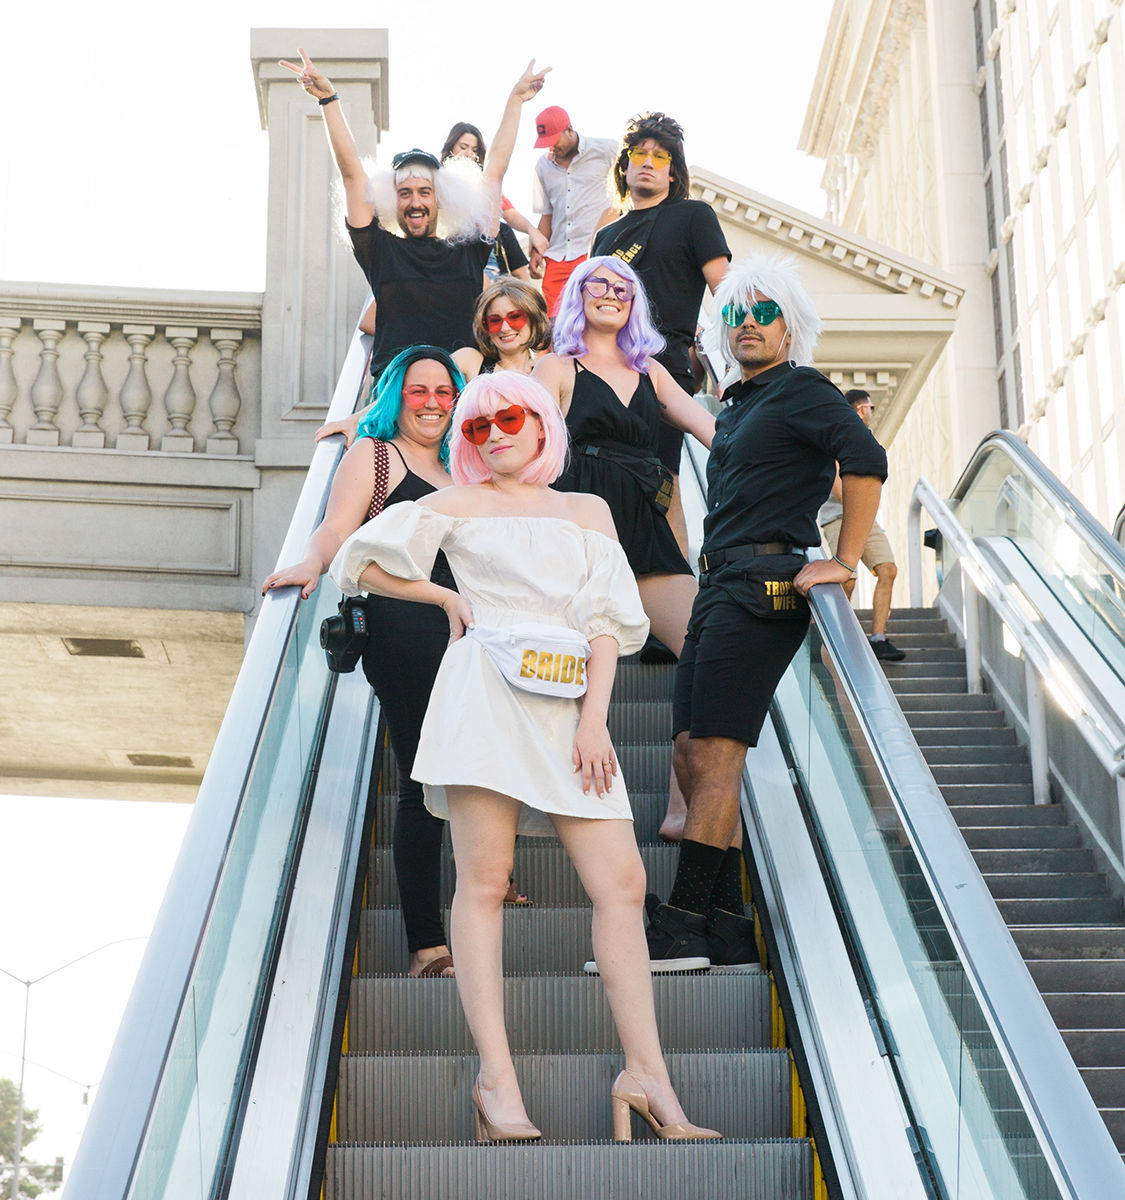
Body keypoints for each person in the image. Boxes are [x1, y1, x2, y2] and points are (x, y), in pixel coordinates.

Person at [329, 370, 720, 1144]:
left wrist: (596, 720)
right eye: (476, 427)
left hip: (569, 700)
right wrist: (443, 599)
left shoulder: (587, 508)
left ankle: (647, 1075)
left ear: (543, 423)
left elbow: (609, 619)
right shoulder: (449, 503)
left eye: (509, 417)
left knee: (622, 882)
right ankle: (495, 1082)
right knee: (483, 879)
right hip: (483, 693)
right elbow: (358, 559)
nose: (494, 433)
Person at [646, 254, 887, 972]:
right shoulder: (740, 401)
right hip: (718, 583)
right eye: (734, 314)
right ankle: (724, 924)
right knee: (689, 750)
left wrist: (843, 561)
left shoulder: (802, 389)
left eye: (762, 313)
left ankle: (685, 923)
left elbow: (865, 458)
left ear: (788, 327)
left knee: (717, 754)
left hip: (762, 584)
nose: (746, 323)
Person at [262, 346, 527, 979]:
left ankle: (485, 875)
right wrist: (309, 563)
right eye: (418, 391)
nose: (433, 402)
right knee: (422, 776)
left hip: (471, 631)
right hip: (401, 624)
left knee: (475, 763)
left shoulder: (467, 468)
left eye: (444, 390)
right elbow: (336, 529)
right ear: (394, 396)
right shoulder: (375, 457)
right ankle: (428, 945)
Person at [533, 256, 714, 852]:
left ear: (635, 304)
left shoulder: (652, 374)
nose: (610, 293)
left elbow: (718, 435)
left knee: (707, 646)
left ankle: (682, 802)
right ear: (576, 298)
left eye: (623, 287)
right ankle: (542, 806)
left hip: (645, 535)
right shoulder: (555, 367)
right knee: (560, 668)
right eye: (597, 284)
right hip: (578, 535)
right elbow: (522, 448)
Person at [278, 48, 549, 381]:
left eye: (424, 192)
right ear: (393, 202)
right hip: (397, 391)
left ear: (440, 199)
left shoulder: (468, 250)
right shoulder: (381, 250)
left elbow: (495, 171)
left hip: (462, 389)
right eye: (404, 193)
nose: (415, 202)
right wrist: (328, 100)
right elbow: (352, 176)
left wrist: (515, 100)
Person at [591, 113, 730, 552]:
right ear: (625, 167)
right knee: (600, 481)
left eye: (660, 155)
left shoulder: (693, 216)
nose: (648, 162)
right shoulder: (606, 236)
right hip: (601, 369)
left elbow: (725, 292)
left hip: (662, 364)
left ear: (674, 171)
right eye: (639, 154)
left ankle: (676, 588)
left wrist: (733, 370)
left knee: (663, 483)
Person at [819, 389, 906, 661]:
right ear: (860, 410)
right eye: (871, 407)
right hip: (837, 517)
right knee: (846, 579)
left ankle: (878, 639)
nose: (872, 412)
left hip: (865, 516)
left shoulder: (867, 440)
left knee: (888, 569)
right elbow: (836, 484)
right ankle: (837, 639)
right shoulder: (838, 434)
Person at [528, 106, 619, 315]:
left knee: (593, 316)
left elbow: (622, 199)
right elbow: (547, 214)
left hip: (594, 251)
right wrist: (536, 251)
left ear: (569, 129)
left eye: (554, 140)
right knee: (555, 322)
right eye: (546, 142)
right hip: (557, 256)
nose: (551, 147)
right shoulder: (542, 166)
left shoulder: (606, 150)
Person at [439, 121, 548, 282]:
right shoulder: (438, 181)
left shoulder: (482, 186)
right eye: (463, 147)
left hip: (485, 266)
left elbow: (510, 213)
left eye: (475, 150)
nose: (469, 154)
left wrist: (533, 231)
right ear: (450, 148)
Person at [452, 277, 552, 381]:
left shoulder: (548, 374)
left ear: (534, 320)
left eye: (514, 317)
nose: (505, 328)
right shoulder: (470, 361)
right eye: (495, 321)